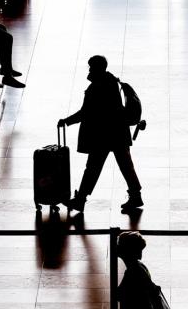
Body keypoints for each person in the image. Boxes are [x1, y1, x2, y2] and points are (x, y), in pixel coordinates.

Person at [59, 56, 143, 214]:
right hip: (118, 133)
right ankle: (135, 196)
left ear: (97, 68)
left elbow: (86, 112)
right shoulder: (113, 82)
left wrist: (66, 121)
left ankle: (81, 199)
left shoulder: (98, 87)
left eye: (91, 67)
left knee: (92, 168)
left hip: (103, 136)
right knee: (125, 167)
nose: (89, 70)